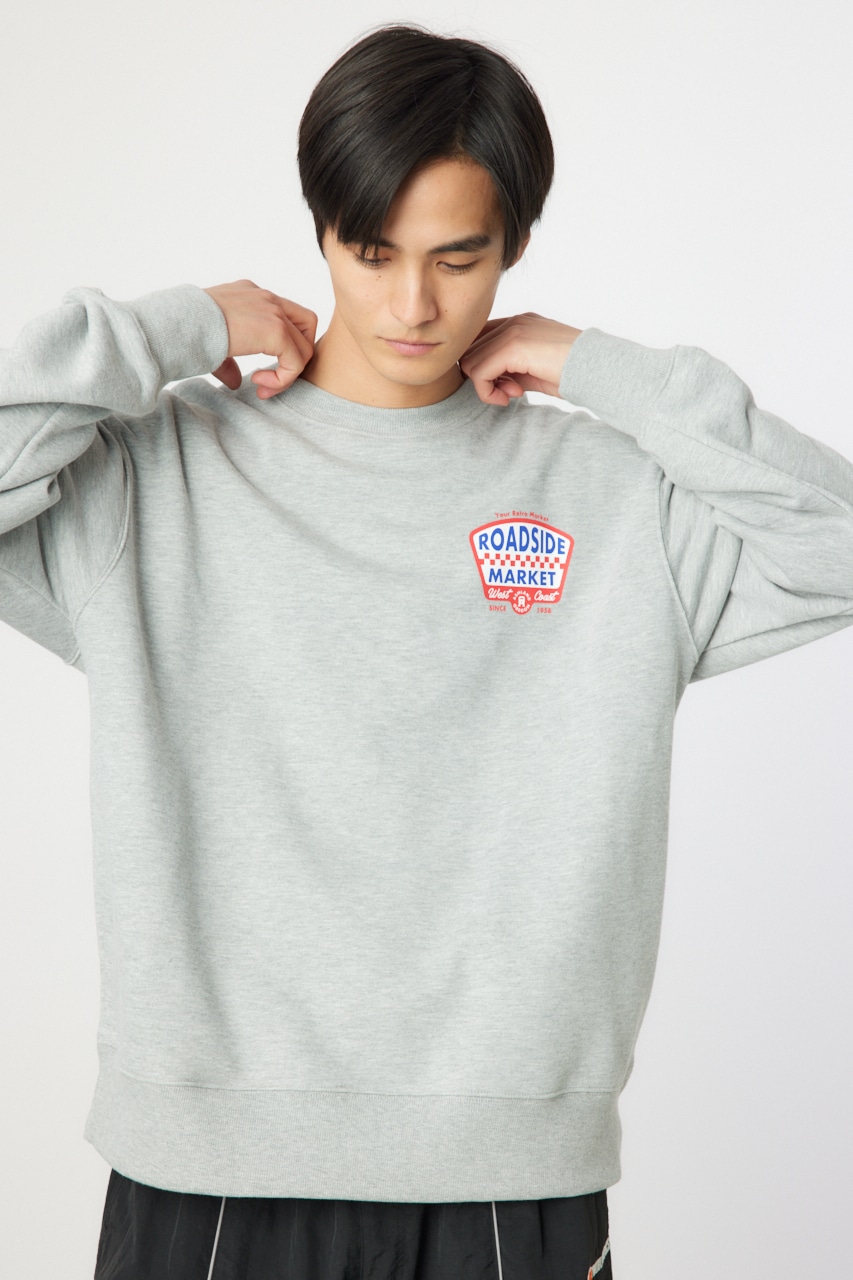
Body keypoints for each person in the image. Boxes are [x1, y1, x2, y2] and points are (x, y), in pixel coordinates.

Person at [2, 20, 851, 1280]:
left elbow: (835, 540)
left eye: (459, 257)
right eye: (372, 251)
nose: (413, 305)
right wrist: (176, 327)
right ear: (320, 229)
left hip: (510, 1177)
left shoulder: (615, 500)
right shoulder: (155, 478)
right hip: (207, 1168)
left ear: (514, 246)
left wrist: (604, 369)